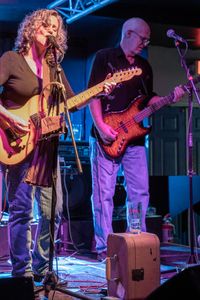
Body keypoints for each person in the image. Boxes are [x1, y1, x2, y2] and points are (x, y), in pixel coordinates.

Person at [0, 8, 114, 279]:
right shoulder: (12, 60)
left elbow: (71, 103)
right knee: (21, 210)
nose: (51, 30)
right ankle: (22, 270)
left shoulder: (54, 67)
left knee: (54, 210)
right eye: (45, 26)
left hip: (47, 147)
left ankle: (42, 266)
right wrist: (7, 119)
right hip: (17, 142)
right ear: (31, 29)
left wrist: (100, 89)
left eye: (55, 28)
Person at [88, 17, 185, 261]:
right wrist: (100, 126)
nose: (145, 43)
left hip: (135, 140)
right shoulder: (104, 58)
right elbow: (93, 96)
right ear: (128, 34)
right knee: (103, 195)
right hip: (106, 136)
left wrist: (168, 98)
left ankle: (137, 242)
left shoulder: (145, 66)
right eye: (143, 38)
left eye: (147, 40)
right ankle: (104, 248)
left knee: (140, 192)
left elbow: (147, 99)